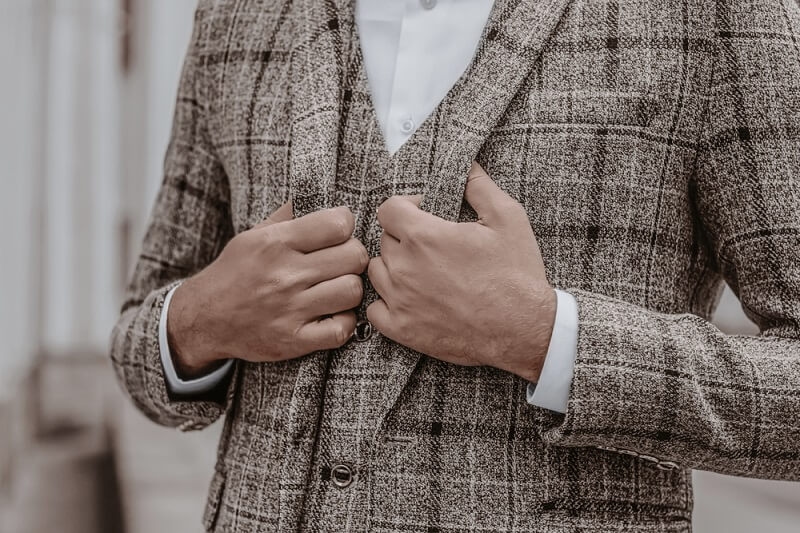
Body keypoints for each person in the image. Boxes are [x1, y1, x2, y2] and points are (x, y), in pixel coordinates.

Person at [110, 0, 800, 531]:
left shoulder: (710, 15)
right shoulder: (235, 15)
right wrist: (200, 320)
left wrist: (547, 337)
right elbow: (139, 334)